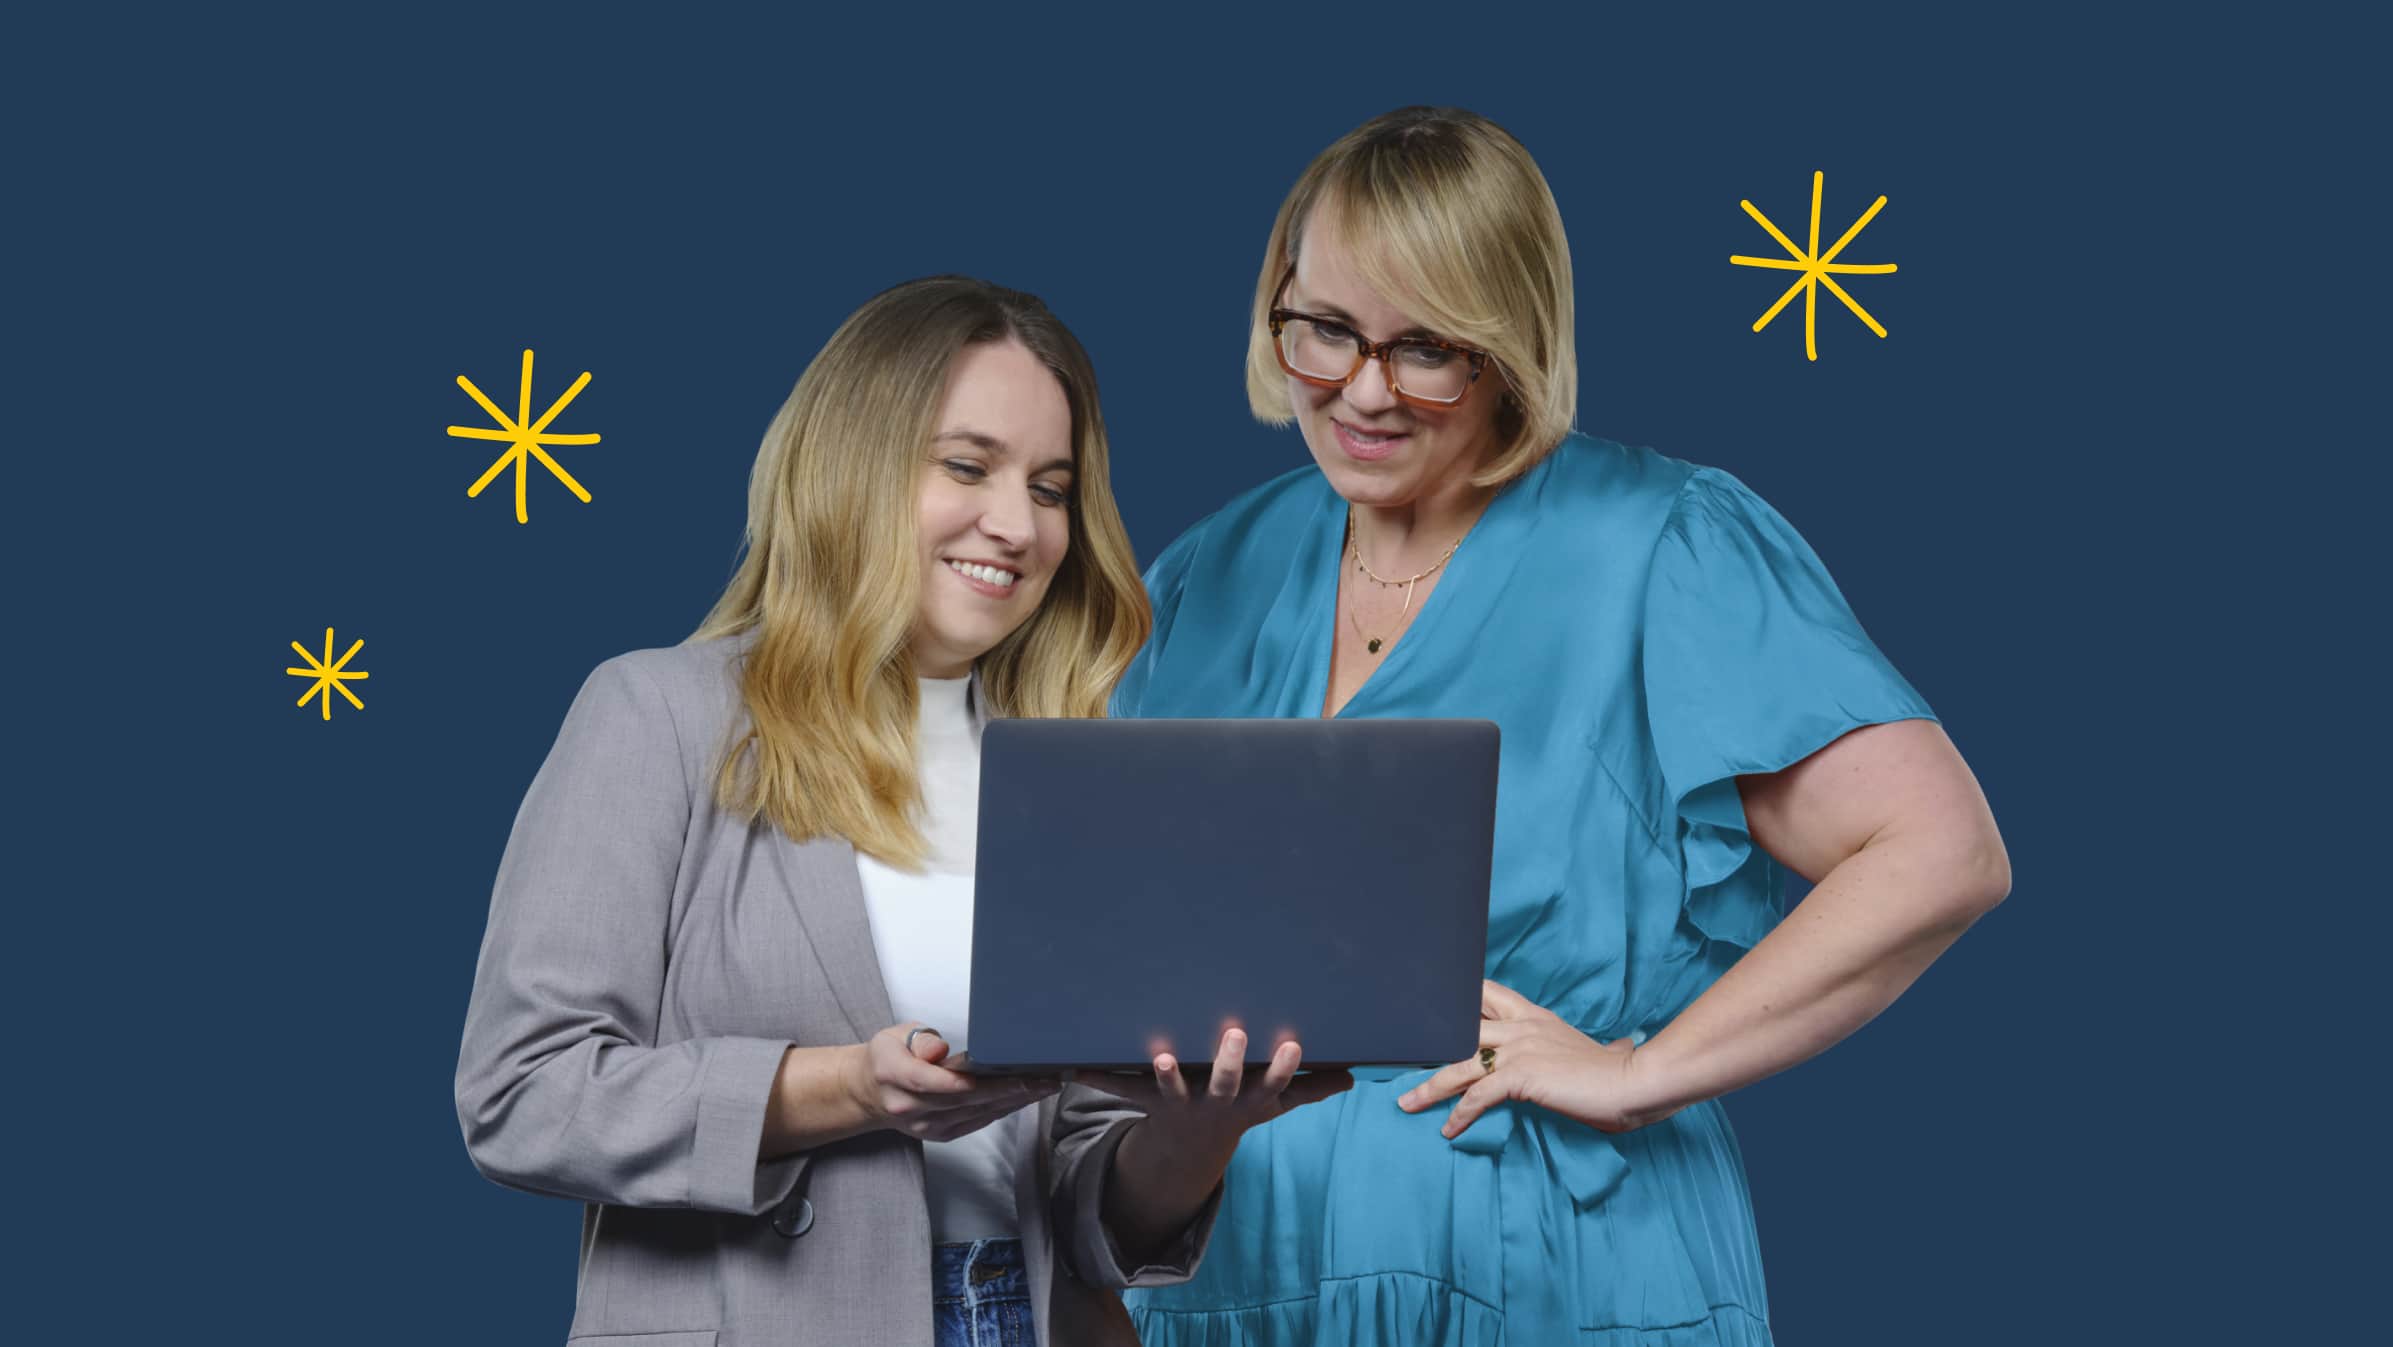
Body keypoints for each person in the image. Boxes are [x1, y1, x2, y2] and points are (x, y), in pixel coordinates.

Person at [1111, 108, 2013, 1345]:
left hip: (1549, 1263)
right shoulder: (1203, 573)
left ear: (1507, 344)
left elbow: (1940, 852)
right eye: (1324, 330)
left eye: (1423, 346)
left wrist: (1643, 1072)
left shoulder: (1655, 545)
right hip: (1231, 1275)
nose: (1361, 390)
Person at [454, 275, 1349, 1347]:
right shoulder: (659, 716)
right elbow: (522, 1094)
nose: (1017, 524)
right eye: (967, 466)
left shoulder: (1074, 774)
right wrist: (840, 1090)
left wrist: (1198, 1131)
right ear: (853, 464)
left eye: (1052, 487)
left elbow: (1098, 1217)